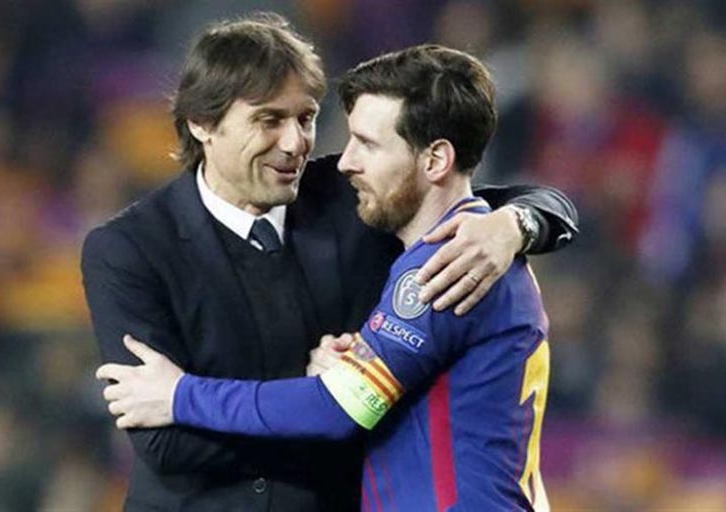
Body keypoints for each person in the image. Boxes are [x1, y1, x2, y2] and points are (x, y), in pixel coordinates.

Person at [83, 14, 576, 512]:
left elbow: (487, 196)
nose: (297, 143)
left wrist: (517, 224)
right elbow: (164, 441)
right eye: (269, 120)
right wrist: (332, 398)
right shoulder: (128, 250)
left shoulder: (402, 223)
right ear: (202, 123)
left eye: (306, 118)